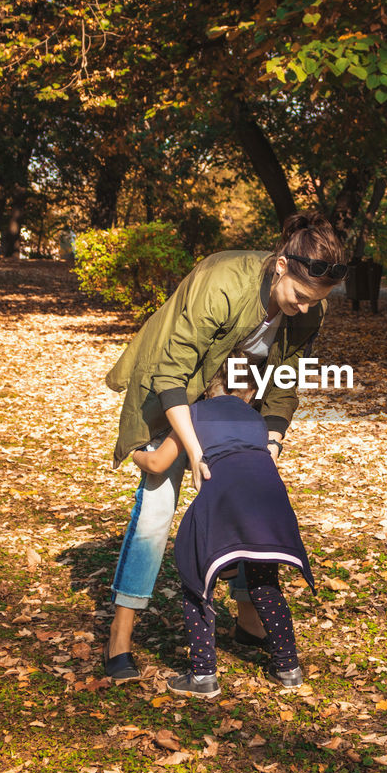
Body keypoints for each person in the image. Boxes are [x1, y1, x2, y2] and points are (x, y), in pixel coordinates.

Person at [102, 211, 347, 681]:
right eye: (298, 296)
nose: (303, 308)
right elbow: (172, 373)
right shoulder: (222, 281)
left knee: (245, 507)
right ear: (280, 267)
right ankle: (120, 635)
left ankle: (249, 620)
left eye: (315, 300)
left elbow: (285, 378)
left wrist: (271, 442)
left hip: (238, 399)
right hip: (175, 387)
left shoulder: (311, 306)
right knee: (156, 508)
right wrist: (192, 450)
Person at [132, 359, 315, 697]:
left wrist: (136, 454)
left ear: (207, 386)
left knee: (196, 578)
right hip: (269, 506)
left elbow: (158, 463)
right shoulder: (257, 421)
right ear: (251, 391)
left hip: (222, 506)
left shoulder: (194, 415)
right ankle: (289, 666)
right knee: (264, 579)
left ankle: (203, 676)